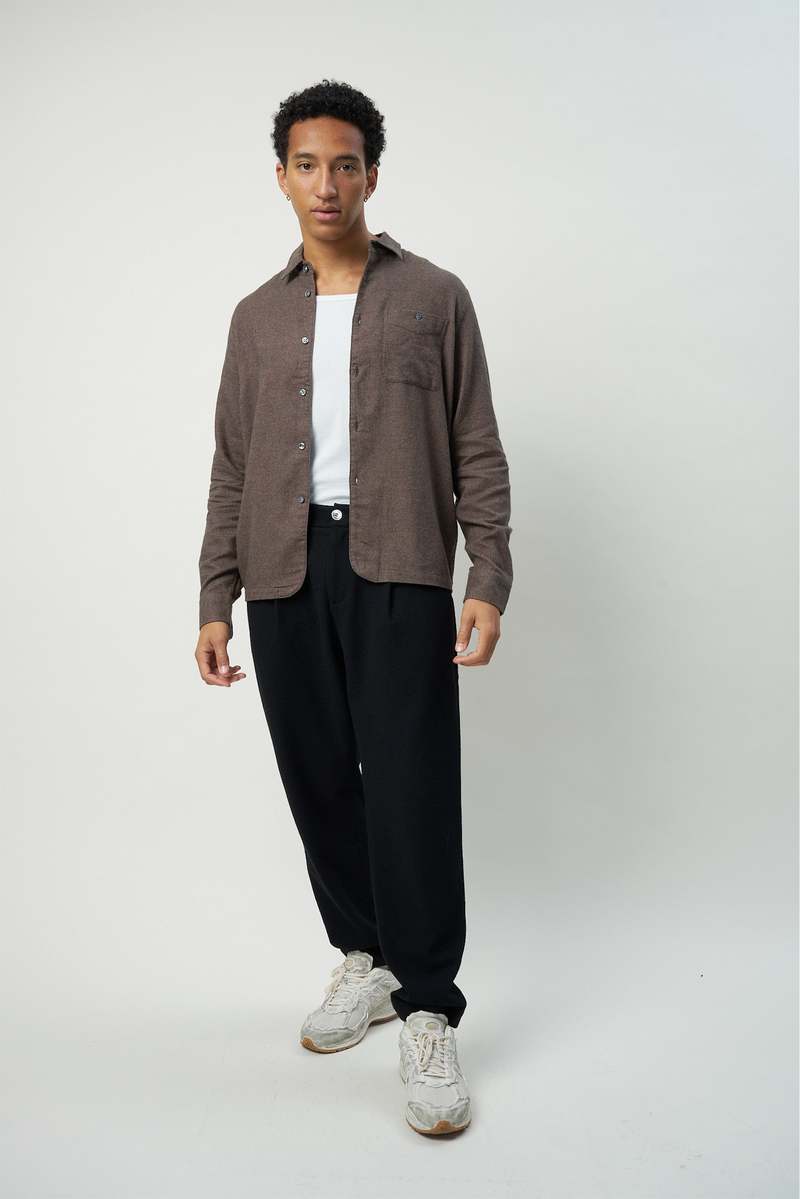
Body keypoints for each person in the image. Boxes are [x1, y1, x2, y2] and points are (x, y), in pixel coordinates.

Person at [194, 78, 513, 1137]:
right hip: (282, 568)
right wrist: (215, 593)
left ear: (371, 174)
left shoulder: (433, 298)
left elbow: (475, 445)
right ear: (281, 178)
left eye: (344, 164)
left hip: (398, 560)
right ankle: (365, 957)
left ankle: (427, 1006)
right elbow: (231, 464)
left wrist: (488, 575)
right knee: (318, 775)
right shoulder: (255, 316)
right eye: (306, 165)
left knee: (410, 782)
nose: (325, 183)